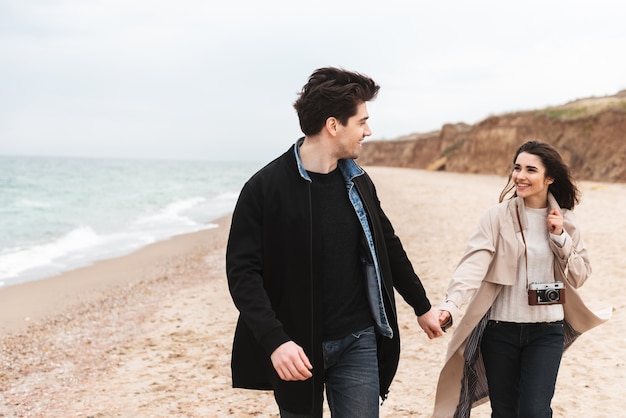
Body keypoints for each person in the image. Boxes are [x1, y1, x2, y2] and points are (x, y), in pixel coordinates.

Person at [226, 67, 443, 417]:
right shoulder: (264, 189)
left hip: (358, 338)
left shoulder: (357, 182)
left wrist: (422, 306)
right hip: (296, 346)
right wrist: (275, 341)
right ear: (333, 125)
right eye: (362, 122)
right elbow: (242, 274)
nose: (368, 131)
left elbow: (387, 245)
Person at [433, 140, 608, 418]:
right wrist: (451, 304)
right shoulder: (496, 217)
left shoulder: (564, 219)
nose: (520, 176)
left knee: (534, 411)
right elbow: (472, 265)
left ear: (549, 177)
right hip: (499, 331)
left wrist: (560, 237)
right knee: (504, 411)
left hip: (547, 331)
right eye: (517, 168)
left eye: (530, 170)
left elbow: (579, 275)